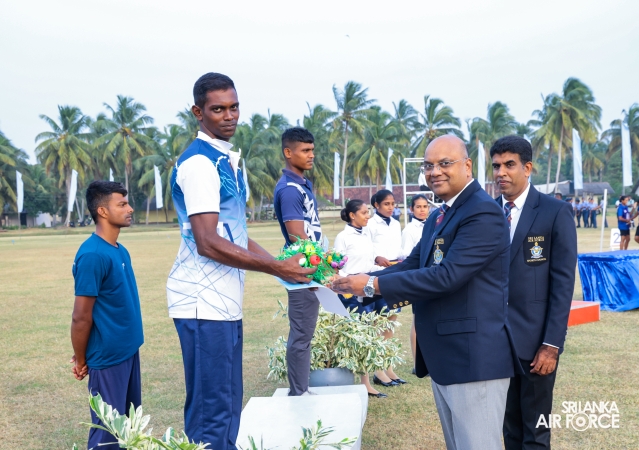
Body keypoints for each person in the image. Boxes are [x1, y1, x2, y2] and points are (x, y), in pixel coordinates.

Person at [333, 135, 520, 450]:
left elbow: (447, 276)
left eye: (445, 163)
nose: (435, 172)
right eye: (428, 165)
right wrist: (354, 280)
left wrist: (369, 285)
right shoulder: (438, 214)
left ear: (467, 165)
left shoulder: (482, 212)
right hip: (447, 356)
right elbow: (412, 264)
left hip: (474, 358)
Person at [166, 73, 314, 450]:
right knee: (212, 414)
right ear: (198, 112)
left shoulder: (227, 160)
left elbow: (236, 234)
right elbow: (207, 242)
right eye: (218, 109)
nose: (229, 116)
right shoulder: (199, 164)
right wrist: (277, 268)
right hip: (202, 302)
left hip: (224, 301)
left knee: (230, 405)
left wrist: (287, 269)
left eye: (234, 107)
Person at [490, 135, 577, 450]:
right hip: (495, 344)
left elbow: (563, 284)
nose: (501, 172)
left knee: (536, 432)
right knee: (509, 428)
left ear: (527, 168)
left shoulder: (555, 211)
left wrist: (551, 345)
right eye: (496, 166)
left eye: (509, 164)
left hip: (536, 344)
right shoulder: (487, 213)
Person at [71, 181, 144, 450]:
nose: (130, 209)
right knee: (108, 435)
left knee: (129, 430)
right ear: (102, 211)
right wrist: (81, 358)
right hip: (108, 358)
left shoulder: (119, 250)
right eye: (122, 204)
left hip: (128, 351)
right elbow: (81, 317)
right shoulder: (92, 255)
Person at [273, 127, 324, 397]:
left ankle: (302, 389)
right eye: (305, 150)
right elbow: (297, 238)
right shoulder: (290, 190)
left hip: (310, 268)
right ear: (288, 152)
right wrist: (321, 270)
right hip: (302, 271)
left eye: (312, 150)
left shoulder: (302, 184)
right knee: (302, 335)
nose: (311, 155)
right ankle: (299, 393)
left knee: (305, 334)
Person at [333, 199, 387, 398]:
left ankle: (371, 379)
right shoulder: (343, 237)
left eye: (368, 212)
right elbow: (338, 267)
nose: (368, 216)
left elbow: (368, 261)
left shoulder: (366, 234)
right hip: (351, 291)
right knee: (358, 335)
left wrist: (382, 266)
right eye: (364, 212)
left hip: (369, 286)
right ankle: (360, 383)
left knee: (370, 332)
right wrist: (349, 284)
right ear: (352, 215)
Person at [363, 189, 406, 387]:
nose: (391, 207)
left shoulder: (396, 224)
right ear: (376, 205)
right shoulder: (370, 223)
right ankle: (378, 371)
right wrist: (376, 257)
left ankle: (388, 367)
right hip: (377, 274)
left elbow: (399, 247)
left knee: (391, 322)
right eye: (386, 204)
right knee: (378, 323)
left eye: (393, 204)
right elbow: (366, 247)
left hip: (395, 272)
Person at [401, 194, 429, 372]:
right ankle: (416, 362)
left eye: (425, 206)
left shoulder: (433, 224)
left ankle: (428, 360)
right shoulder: (409, 230)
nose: (422, 210)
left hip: (431, 278)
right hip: (418, 277)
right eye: (418, 207)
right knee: (417, 320)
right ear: (411, 209)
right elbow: (406, 256)